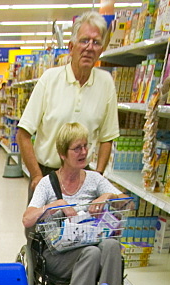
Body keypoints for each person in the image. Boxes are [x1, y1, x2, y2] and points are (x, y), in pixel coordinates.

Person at [22, 121, 123, 285]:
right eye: (77, 148)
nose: (84, 152)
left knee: (111, 246)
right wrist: (55, 205)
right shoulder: (48, 184)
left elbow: (127, 204)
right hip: (58, 255)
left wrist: (108, 197)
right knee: (93, 253)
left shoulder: (95, 180)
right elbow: (27, 218)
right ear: (62, 153)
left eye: (86, 146)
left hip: (92, 249)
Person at [16, 11, 118, 194]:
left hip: (84, 178)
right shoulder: (50, 79)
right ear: (71, 47)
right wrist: (37, 176)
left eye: (96, 42)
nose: (89, 47)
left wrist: (99, 177)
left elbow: (107, 137)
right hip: (47, 175)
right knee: (38, 222)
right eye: (84, 40)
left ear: (101, 50)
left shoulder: (106, 83)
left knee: (82, 223)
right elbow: (23, 133)